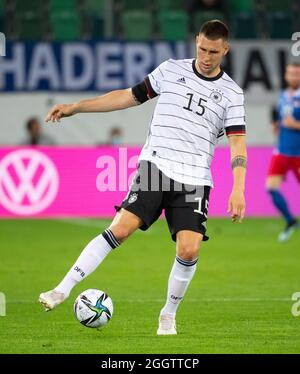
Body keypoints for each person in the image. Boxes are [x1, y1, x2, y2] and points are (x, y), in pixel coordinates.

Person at [39, 20, 247, 335]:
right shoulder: (170, 70)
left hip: (194, 178)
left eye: (214, 52)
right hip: (156, 165)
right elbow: (127, 96)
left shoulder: (231, 93)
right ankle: (62, 288)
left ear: (225, 50)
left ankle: (168, 314)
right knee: (121, 229)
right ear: (196, 42)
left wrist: (239, 188)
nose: (206, 57)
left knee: (189, 250)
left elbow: (237, 143)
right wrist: (77, 107)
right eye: (202, 49)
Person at [266, 63, 300, 242]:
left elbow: (292, 122)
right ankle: (290, 221)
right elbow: (275, 112)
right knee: (271, 188)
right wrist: (274, 123)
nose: (293, 77)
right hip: (282, 151)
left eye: (297, 74)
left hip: (299, 154)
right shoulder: (282, 96)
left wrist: (296, 125)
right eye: (291, 73)